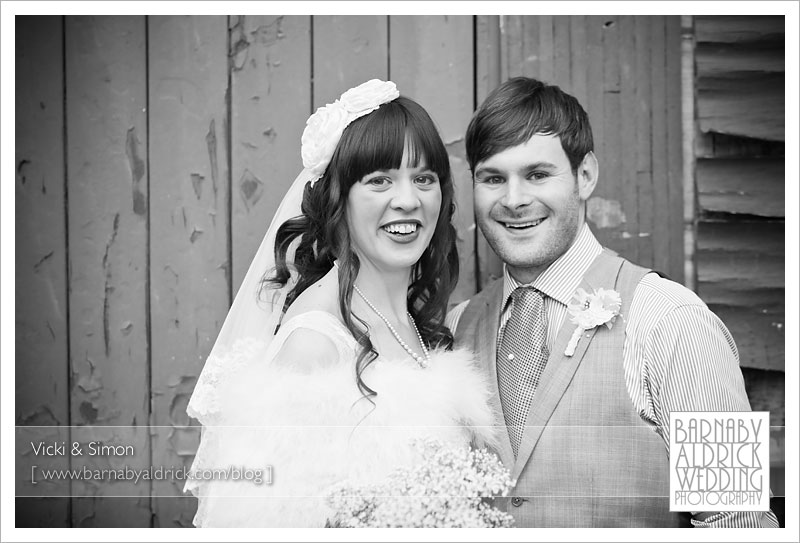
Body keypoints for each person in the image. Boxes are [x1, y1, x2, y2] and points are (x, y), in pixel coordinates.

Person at [448, 76, 779, 528]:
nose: (514, 199)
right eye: (492, 178)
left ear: (585, 175)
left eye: (537, 174)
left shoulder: (675, 320)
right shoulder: (456, 327)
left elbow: (742, 518)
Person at [183, 80, 497, 527]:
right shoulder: (315, 344)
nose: (408, 200)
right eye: (380, 180)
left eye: (424, 178)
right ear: (339, 200)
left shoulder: (410, 320)